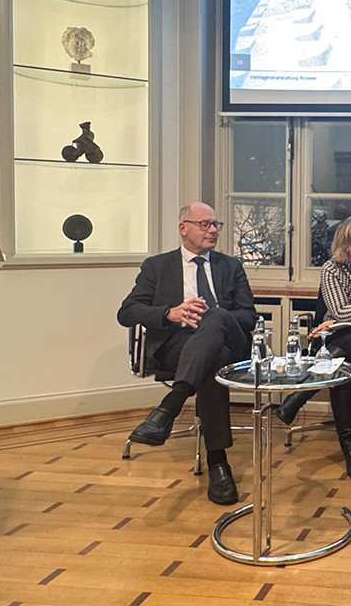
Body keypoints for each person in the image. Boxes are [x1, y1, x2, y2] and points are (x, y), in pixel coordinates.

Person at [119, 202, 257, 505]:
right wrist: (171, 312)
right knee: (212, 360)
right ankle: (218, 463)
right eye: (205, 224)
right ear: (184, 228)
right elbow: (127, 312)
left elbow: (248, 316)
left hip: (230, 341)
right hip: (177, 345)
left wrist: (216, 316)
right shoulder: (157, 266)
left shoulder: (230, 266)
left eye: (215, 225)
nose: (212, 231)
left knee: (217, 318)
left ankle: (169, 407)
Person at [272, 216, 351, 479]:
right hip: (347, 346)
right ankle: (350, 450)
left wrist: (345, 318)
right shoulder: (331, 269)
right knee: (345, 366)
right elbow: (343, 310)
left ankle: (299, 395)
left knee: (349, 341)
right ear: (345, 243)